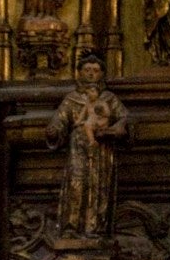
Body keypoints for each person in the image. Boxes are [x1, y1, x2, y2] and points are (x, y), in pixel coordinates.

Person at [46, 54, 128, 237]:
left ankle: (94, 228)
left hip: (101, 148)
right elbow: (60, 120)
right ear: (79, 73)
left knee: (98, 186)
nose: (91, 74)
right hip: (78, 147)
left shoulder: (108, 98)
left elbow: (123, 118)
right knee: (76, 183)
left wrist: (114, 129)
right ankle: (71, 227)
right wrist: (54, 130)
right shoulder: (72, 98)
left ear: (102, 74)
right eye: (87, 70)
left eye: (96, 71)